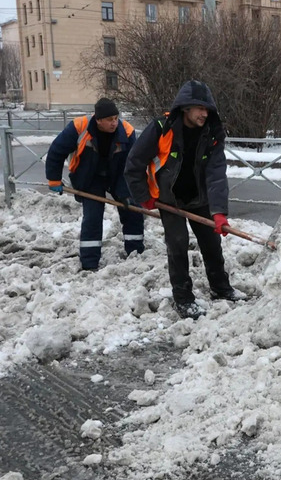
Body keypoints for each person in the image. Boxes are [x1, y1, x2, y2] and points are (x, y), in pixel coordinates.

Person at [125, 80, 237, 319]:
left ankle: (221, 288)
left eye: (208, 109)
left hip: (201, 198)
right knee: (177, 246)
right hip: (170, 200)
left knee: (212, 245)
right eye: (200, 108)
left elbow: (216, 173)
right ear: (186, 107)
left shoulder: (213, 133)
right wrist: (144, 197)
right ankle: (183, 298)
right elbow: (134, 164)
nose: (205, 114)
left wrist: (219, 211)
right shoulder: (161, 128)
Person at [45, 97, 144, 270]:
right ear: (98, 120)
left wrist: (126, 194)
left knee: (133, 209)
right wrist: (54, 179)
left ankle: (136, 252)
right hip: (90, 177)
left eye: (116, 118)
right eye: (109, 120)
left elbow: (130, 165)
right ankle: (90, 262)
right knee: (93, 215)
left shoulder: (127, 132)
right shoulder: (79, 127)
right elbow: (56, 151)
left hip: (117, 175)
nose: (114, 123)